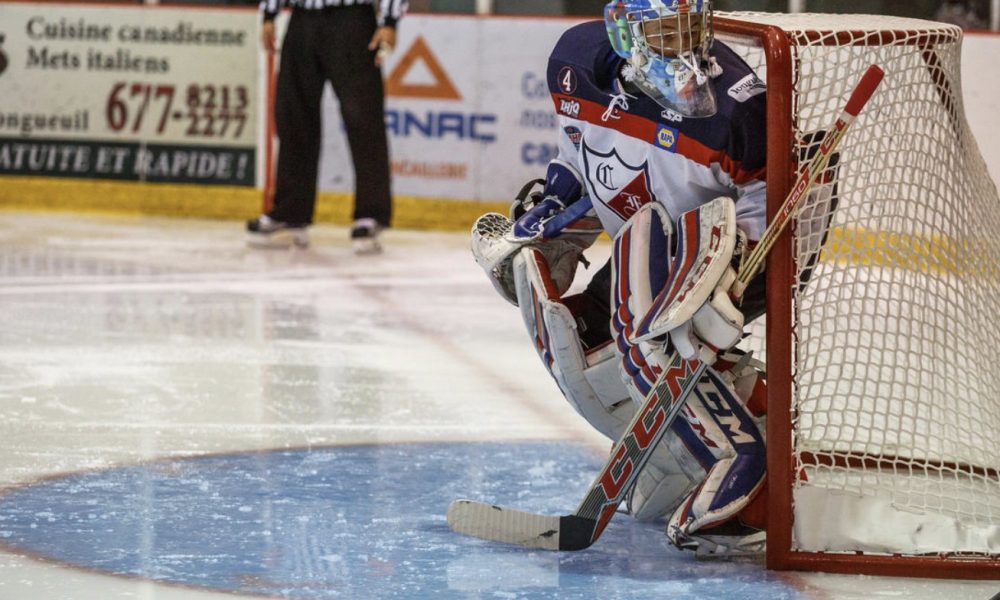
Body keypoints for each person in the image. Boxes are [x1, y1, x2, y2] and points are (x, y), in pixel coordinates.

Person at [471, 0, 799, 556]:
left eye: (691, 26)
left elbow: (772, 205)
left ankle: (749, 480)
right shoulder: (575, 62)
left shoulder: (739, 105)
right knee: (578, 341)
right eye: (665, 31)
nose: (685, 43)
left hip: (722, 257)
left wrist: (728, 272)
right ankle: (673, 459)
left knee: (653, 340)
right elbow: (579, 155)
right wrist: (553, 215)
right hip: (644, 252)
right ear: (625, 33)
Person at [248, 0, 408, 254]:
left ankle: (371, 214)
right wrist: (269, 13)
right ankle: (291, 212)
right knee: (293, 116)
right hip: (302, 18)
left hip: (352, 19)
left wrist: (390, 21)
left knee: (363, 117)